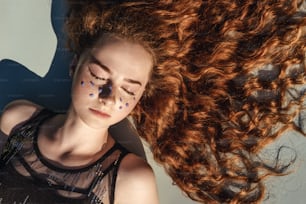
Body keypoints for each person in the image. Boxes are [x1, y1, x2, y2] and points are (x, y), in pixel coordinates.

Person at [0, 0, 305, 203]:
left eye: (129, 91)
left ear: (140, 98)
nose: (109, 98)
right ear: (74, 64)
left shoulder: (131, 181)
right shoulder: (17, 120)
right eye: (98, 75)